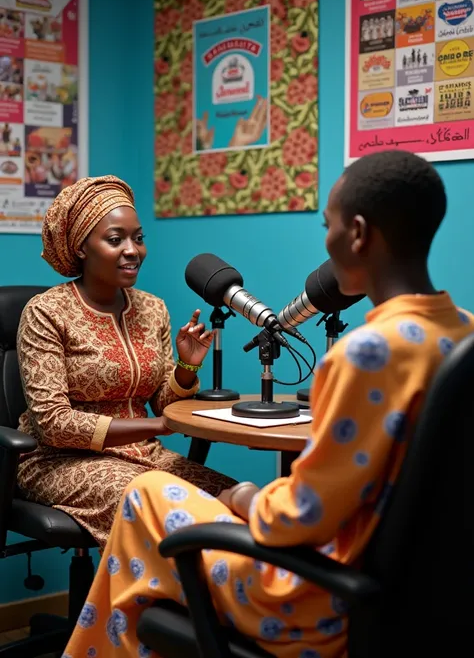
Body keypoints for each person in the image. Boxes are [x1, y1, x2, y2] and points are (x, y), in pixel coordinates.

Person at [63, 152, 474, 658]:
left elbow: (295, 519)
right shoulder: (463, 332)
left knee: (146, 495)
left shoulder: (368, 353)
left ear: (359, 234)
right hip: (415, 595)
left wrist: (247, 498)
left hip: (313, 602)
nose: (326, 242)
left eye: (329, 226)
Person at [17, 175, 235, 549]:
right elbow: (54, 425)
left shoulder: (152, 309)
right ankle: (146, 605)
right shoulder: (46, 312)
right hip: (60, 461)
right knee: (168, 506)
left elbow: (164, 403)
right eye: (115, 239)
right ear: (82, 247)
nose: (133, 250)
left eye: (138, 238)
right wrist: (158, 424)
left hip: (144, 454)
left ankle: (225, 603)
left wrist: (187, 367)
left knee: (237, 498)